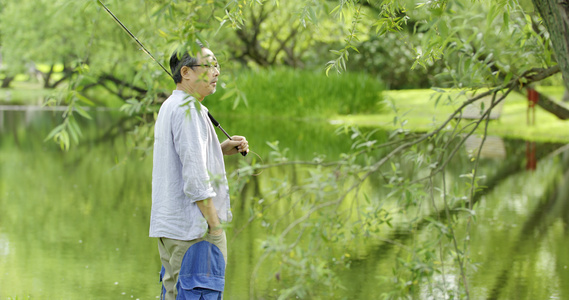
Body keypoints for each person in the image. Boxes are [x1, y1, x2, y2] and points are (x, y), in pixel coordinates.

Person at [150, 45, 248, 300]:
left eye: (217, 66)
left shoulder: (172, 105)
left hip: (172, 228)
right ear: (186, 73)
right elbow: (195, 179)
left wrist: (219, 148)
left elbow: (184, 159)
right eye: (209, 66)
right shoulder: (188, 111)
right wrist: (215, 227)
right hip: (194, 232)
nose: (216, 72)